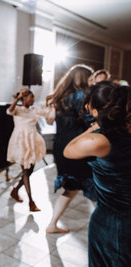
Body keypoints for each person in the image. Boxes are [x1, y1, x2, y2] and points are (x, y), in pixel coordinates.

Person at [63, 81, 131, 266]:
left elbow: (69, 150)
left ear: (95, 110)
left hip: (112, 224)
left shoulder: (100, 141)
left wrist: (91, 129)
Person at [45, 64, 96, 234]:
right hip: (80, 147)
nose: (93, 82)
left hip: (62, 147)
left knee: (71, 188)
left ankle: (52, 224)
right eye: (91, 78)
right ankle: (104, 230)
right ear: (83, 78)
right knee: (99, 187)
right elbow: (91, 122)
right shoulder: (81, 96)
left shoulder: (61, 97)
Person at [7, 89, 54, 212]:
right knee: (26, 172)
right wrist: (18, 98)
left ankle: (15, 190)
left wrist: (49, 102)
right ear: (24, 98)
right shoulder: (18, 109)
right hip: (21, 142)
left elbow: (48, 115)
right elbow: (9, 110)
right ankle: (31, 202)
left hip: (33, 141)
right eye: (31, 97)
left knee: (29, 171)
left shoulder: (34, 110)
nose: (33, 100)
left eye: (33, 98)